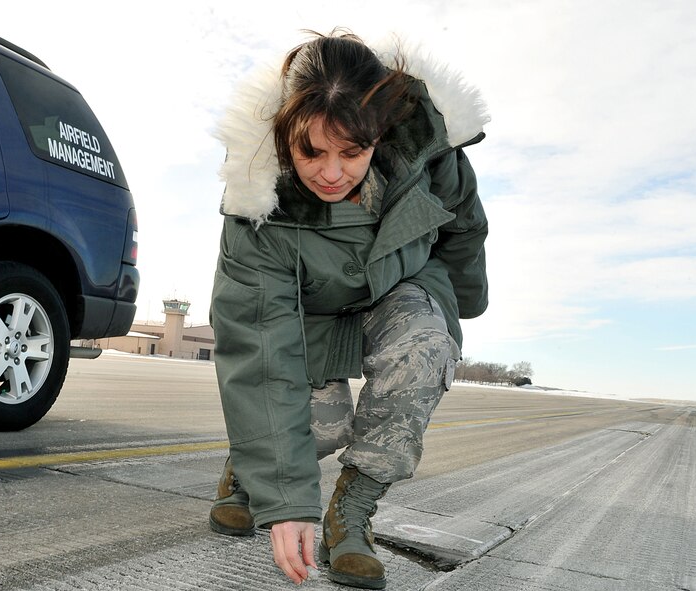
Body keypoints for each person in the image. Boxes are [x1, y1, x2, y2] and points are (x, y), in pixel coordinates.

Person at [208, 29, 489, 589]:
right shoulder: (256, 213)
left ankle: (351, 514)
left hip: (396, 286)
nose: (331, 173)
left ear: (378, 133)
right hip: (307, 313)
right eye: (311, 151)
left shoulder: (433, 157)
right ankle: (250, 472)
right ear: (284, 134)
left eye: (351, 152)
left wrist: (460, 304)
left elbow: (465, 228)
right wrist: (287, 502)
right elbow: (262, 353)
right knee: (322, 426)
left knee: (426, 347)